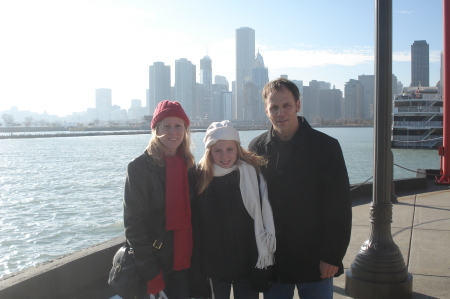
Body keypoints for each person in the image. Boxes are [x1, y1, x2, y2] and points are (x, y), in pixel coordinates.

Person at [248, 78, 352, 299]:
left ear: (298, 105)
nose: (280, 112)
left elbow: (340, 206)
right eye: (274, 107)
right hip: (274, 260)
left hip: (315, 259)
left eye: (286, 105)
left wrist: (333, 256)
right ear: (266, 111)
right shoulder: (256, 148)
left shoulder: (326, 146)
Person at [190, 120, 276, 299]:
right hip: (214, 266)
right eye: (217, 150)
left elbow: (257, 218)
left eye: (230, 149)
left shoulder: (251, 174)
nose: (224, 156)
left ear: (238, 149)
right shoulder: (200, 178)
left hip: (247, 263)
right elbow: (197, 225)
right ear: (209, 152)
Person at [123, 100, 196, 299]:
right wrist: (152, 275)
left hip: (184, 262)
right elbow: (134, 226)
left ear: (185, 130)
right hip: (156, 266)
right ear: (155, 129)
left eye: (178, 126)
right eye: (166, 126)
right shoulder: (139, 168)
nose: (173, 132)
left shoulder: (189, 166)